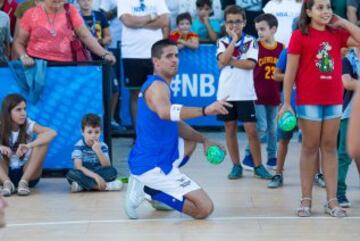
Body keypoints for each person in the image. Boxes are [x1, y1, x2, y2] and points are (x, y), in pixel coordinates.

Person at [124, 39, 231, 220]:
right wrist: (205, 110)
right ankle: (150, 190)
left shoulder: (161, 85)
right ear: (156, 61)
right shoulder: (157, 87)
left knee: (191, 140)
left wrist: (204, 140)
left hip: (158, 156)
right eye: (169, 56)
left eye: (176, 55)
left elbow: (175, 123)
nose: (175, 60)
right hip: (152, 165)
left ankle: (156, 187)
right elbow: (166, 113)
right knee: (204, 209)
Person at [279, 0, 360, 217]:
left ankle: (331, 201)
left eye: (329, 7)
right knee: (309, 147)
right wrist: (287, 102)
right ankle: (306, 199)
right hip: (308, 100)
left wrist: (342, 21)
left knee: (330, 148)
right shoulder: (299, 35)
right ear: (308, 11)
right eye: (320, 7)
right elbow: (290, 72)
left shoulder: (337, 33)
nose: (326, 11)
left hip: (334, 99)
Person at [216, 5, 272, 180]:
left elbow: (250, 64)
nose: (234, 25)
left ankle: (258, 166)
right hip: (226, 94)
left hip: (245, 93)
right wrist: (232, 41)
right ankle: (236, 166)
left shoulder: (251, 41)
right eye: (230, 22)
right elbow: (221, 62)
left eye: (238, 21)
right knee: (230, 129)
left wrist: (229, 60)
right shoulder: (222, 42)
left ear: (244, 22)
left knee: (252, 131)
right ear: (225, 23)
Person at [118, 0, 169, 134]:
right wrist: (151, 17)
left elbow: (164, 20)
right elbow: (128, 21)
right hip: (132, 53)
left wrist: (139, 23)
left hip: (155, 53)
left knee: (158, 93)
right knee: (135, 94)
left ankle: (156, 132)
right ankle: (138, 134)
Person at [13, 0, 116, 66]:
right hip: (37, 66)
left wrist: (104, 54)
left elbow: (85, 36)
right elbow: (19, 42)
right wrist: (24, 57)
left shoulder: (71, 10)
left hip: (66, 67)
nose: (58, 0)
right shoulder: (30, 14)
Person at [242, 13, 284, 171]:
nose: (259, 32)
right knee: (261, 126)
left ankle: (272, 157)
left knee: (273, 128)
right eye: (257, 29)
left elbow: (284, 70)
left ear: (273, 29)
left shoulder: (281, 48)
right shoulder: (254, 46)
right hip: (256, 94)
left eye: (262, 29)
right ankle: (249, 155)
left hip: (274, 93)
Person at [0, 94, 57, 196]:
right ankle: (7, 183)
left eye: (24, 109)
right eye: (18, 110)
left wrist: (29, 145)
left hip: (28, 174)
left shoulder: (28, 124)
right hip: (4, 173)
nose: (23, 113)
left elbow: (52, 133)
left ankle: (23, 183)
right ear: (8, 112)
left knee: (42, 140)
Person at [65, 113, 122, 192]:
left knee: (112, 172)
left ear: (100, 132)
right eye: (89, 132)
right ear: (82, 132)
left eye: (96, 132)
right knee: (71, 174)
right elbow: (78, 167)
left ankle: (82, 186)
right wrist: (96, 177)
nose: (93, 135)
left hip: (100, 172)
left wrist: (98, 151)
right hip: (85, 173)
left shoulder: (103, 146)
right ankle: (105, 187)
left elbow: (107, 166)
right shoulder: (79, 145)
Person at [336, 47, 360, 208]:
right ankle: (339, 192)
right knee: (344, 154)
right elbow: (347, 83)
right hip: (352, 113)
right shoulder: (347, 60)